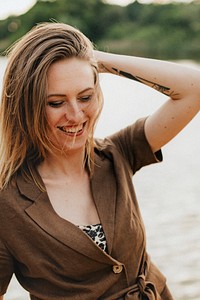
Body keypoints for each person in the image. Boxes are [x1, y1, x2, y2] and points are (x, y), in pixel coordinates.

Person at [0, 22, 199, 300]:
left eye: (85, 97)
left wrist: (95, 60)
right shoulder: (8, 203)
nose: (76, 114)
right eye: (56, 103)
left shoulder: (117, 153)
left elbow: (193, 88)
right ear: (26, 106)